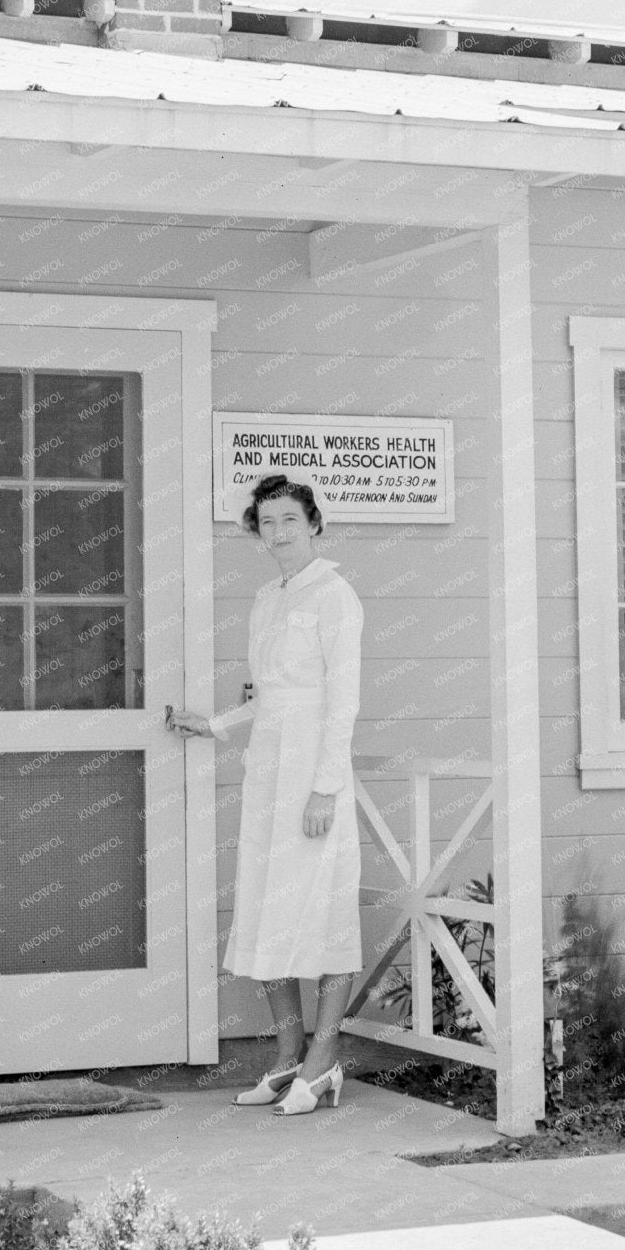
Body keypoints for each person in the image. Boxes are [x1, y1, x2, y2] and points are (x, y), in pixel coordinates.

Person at [167, 474, 364, 1116]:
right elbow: (268, 696)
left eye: (289, 520)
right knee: (265, 906)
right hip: (269, 772)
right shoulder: (268, 597)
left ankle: (324, 1059)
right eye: (267, 521)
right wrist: (217, 725)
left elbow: (341, 703)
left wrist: (326, 790)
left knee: (323, 907)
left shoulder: (335, 597)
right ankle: (286, 1056)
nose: (278, 532)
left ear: (313, 525)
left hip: (313, 774)